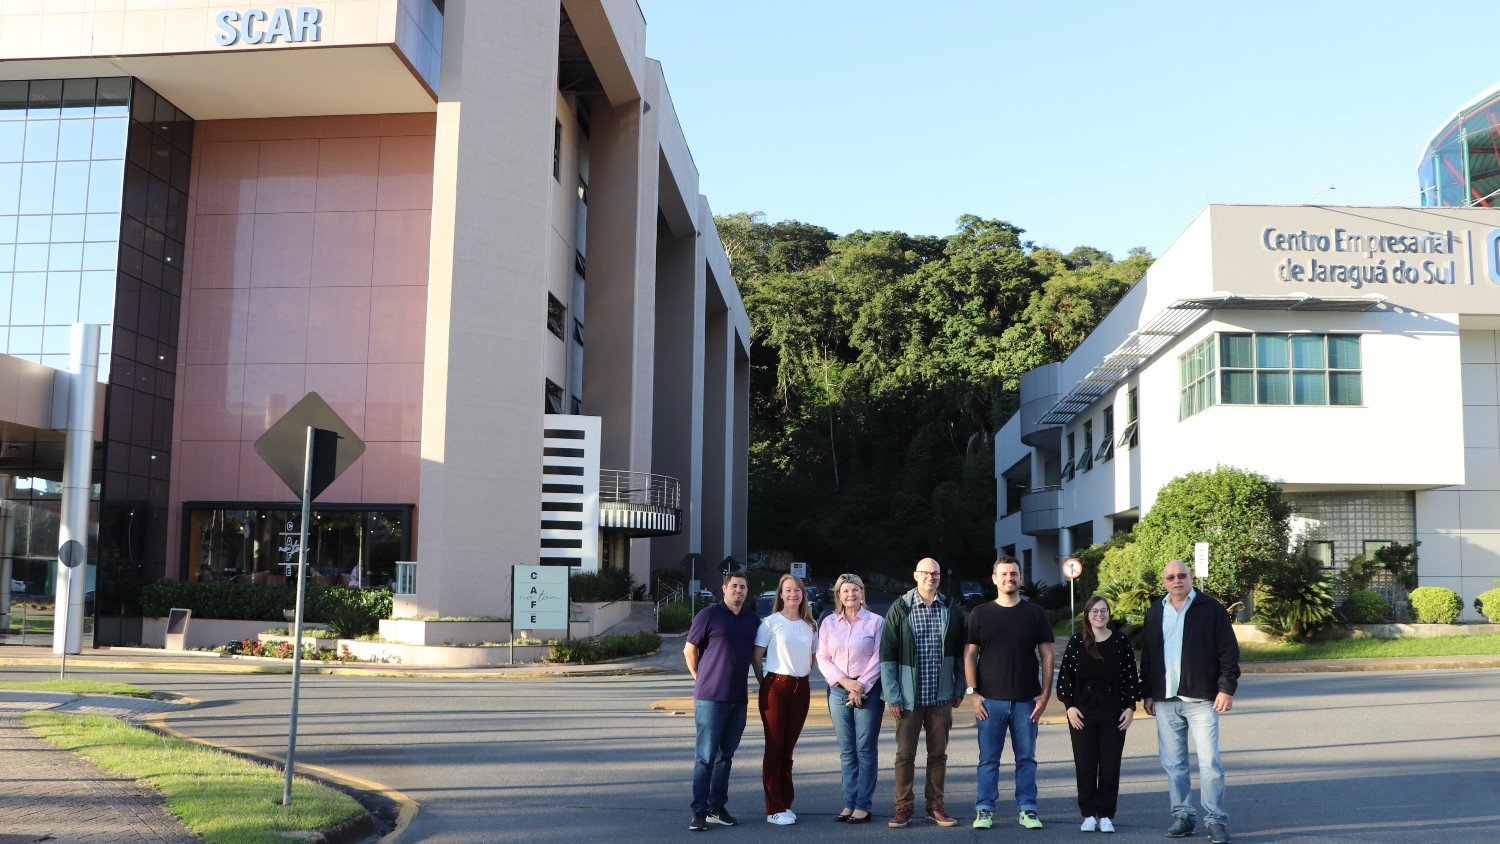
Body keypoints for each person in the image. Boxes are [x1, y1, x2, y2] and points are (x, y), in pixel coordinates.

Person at [1139, 560, 1241, 844]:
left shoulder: (1211, 609)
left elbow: (1228, 652)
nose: (1177, 580)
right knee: (1174, 765)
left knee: (1209, 763)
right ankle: (1183, 816)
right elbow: (1147, 656)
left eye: (1182, 575)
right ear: (1164, 582)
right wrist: (1147, 692)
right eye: (1170, 577)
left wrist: (1226, 688)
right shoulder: (1155, 611)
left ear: (1191, 577)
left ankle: (1215, 820)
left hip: (1202, 698)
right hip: (1165, 700)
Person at [964, 556, 1054, 831]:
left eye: (1013, 573)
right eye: (1003, 574)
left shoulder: (1035, 613)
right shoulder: (980, 613)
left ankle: (1028, 809)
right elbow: (969, 654)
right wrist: (973, 693)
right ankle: (984, 810)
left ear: (1020, 578)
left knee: (1026, 759)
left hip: (1027, 701)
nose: (1009, 578)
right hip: (989, 701)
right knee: (988, 760)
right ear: (994, 578)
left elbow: (1047, 655)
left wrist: (1046, 693)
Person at [880, 557, 966, 829]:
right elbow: (888, 655)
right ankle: (903, 808)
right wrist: (892, 695)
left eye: (936, 573)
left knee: (938, 755)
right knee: (905, 755)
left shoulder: (951, 608)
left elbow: (963, 651)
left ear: (940, 577)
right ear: (916, 576)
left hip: (941, 696)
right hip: (908, 698)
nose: (931, 577)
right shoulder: (900, 608)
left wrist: (959, 686)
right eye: (926, 573)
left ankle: (935, 806)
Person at [684, 571, 761, 832]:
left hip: (738, 698)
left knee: (725, 757)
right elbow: (689, 650)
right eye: (734, 586)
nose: (738, 591)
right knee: (705, 757)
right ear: (724, 588)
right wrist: (701, 678)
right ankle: (699, 811)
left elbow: (756, 657)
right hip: (710, 698)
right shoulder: (709, 615)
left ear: (747, 591)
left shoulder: (752, 620)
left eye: (743, 587)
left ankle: (717, 807)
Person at [1056, 595, 1140, 833]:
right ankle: (1088, 814)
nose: (1099, 615)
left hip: (1113, 713)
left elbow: (1130, 677)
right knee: (1085, 764)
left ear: (1109, 614)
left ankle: (1106, 814)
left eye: (1103, 610)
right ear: (1087, 614)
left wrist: (1130, 707)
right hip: (1082, 714)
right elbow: (1065, 679)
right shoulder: (1076, 642)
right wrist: (1070, 707)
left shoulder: (1121, 641)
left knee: (1110, 765)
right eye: (1094, 611)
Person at [816, 573, 884, 824]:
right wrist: (845, 683)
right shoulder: (829, 623)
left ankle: (863, 805)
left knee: (865, 750)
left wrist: (861, 686)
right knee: (847, 751)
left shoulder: (876, 622)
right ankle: (849, 802)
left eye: (855, 590)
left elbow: (880, 657)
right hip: (837, 689)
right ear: (838, 595)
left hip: (869, 690)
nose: (850, 595)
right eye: (845, 591)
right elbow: (822, 657)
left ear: (862, 593)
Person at [753, 574, 819, 826]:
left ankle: (786, 802)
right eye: (788, 590)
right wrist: (766, 683)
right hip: (776, 687)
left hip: (801, 689)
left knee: (788, 750)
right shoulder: (770, 623)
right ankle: (774, 808)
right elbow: (756, 656)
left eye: (798, 590)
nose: (793, 594)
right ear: (780, 594)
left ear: (803, 595)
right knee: (774, 748)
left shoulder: (810, 625)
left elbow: (812, 658)